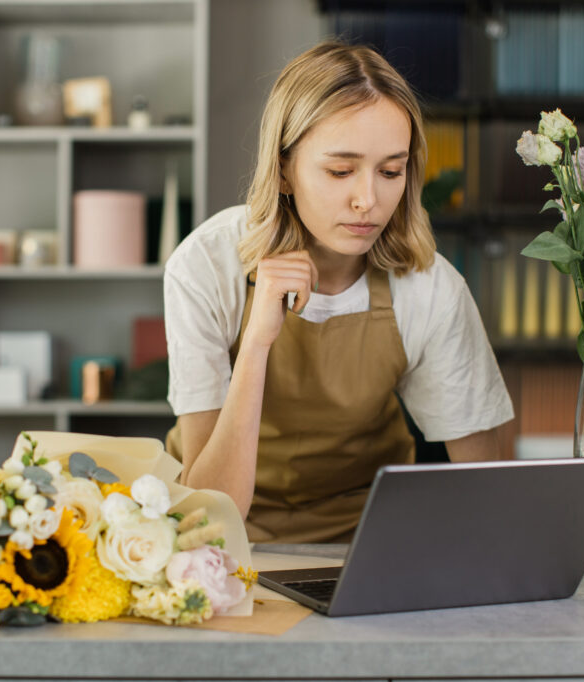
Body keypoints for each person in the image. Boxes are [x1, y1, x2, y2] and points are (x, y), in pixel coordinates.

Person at [164, 40, 514, 543]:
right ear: (284, 169)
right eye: (340, 171)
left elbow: (490, 493)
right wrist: (258, 342)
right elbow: (211, 513)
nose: (368, 200)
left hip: (371, 540)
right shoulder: (204, 267)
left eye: (391, 171)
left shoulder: (429, 287)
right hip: (216, 539)